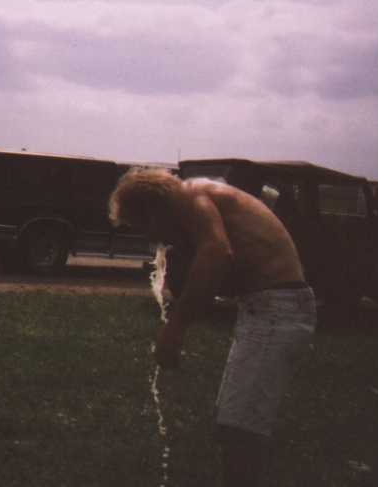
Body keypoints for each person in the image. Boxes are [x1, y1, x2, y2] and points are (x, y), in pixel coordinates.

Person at [108, 168, 316, 487]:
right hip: (266, 308)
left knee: (240, 431)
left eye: (143, 226)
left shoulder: (192, 197)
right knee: (231, 424)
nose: (151, 238)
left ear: (152, 207)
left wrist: (175, 328)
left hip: (277, 309)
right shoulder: (196, 199)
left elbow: (217, 253)